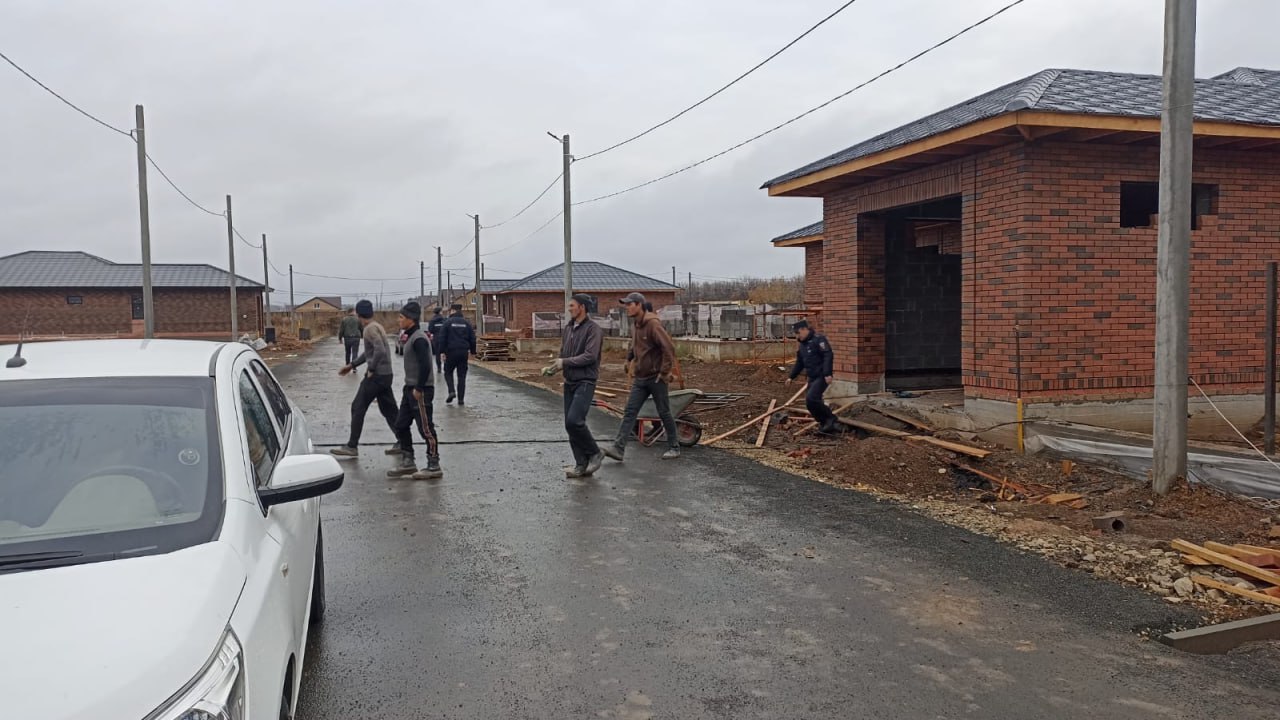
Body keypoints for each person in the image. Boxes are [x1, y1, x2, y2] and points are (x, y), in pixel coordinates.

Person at [603, 292, 681, 462]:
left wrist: (664, 372)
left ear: (639, 305)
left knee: (664, 412)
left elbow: (668, 348)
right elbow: (635, 345)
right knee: (630, 411)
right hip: (640, 378)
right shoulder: (636, 325)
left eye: (629, 304)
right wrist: (628, 359)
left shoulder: (653, 324)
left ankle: (674, 447)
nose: (627, 308)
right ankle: (618, 449)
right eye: (626, 305)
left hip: (655, 378)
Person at [331, 300, 399, 458]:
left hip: (376, 376)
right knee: (389, 410)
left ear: (358, 314)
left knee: (357, 407)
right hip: (386, 375)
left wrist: (372, 369)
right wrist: (352, 365)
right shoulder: (377, 326)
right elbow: (370, 352)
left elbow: (379, 350)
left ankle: (352, 446)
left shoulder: (369, 329)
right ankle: (403, 441)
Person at [387, 301, 443, 480]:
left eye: (401, 317)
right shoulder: (410, 336)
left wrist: (419, 388)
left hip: (421, 390)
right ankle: (408, 461)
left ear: (410, 319)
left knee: (426, 429)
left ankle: (433, 464)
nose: (398, 320)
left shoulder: (419, 339)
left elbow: (426, 365)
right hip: (409, 388)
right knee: (401, 424)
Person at [554, 293, 605, 478]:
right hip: (570, 381)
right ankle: (581, 464)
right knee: (570, 425)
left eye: (572, 306)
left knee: (574, 421)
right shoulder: (569, 328)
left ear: (582, 307)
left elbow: (590, 356)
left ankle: (595, 452)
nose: (569, 309)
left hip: (585, 381)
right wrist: (555, 366)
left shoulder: (593, 329)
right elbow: (564, 351)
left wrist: (565, 362)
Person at [787, 320, 838, 434]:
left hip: (821, 376)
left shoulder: (818, 340)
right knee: (810, 403)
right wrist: (791, 377)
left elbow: (828, 355)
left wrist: (827, 373)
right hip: (812, 377)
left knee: (812, 398)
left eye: (798, 333)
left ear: (804, 329)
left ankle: (831, 418)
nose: (797, 336)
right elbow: (800, 363)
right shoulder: (802, 345)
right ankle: (824, 422)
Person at [439, 303, 477, 405]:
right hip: (463, 352)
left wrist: (442, 351)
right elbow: (472, 338)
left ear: (453, 311)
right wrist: (473, 352)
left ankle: (451, 391)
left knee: (448, 372)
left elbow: (442, 338)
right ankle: (461, 400)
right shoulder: (467, 323)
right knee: (462, 376)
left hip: (450, 352)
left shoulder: (447, 323)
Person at [426, 306, 446, 373]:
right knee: (445, 353)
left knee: (437, 354)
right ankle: (445, 367)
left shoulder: (432, 321)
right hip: (444, 339)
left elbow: (430, 330)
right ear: (440, 312)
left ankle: (439, 368)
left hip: (436, 339)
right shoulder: (444, 320)